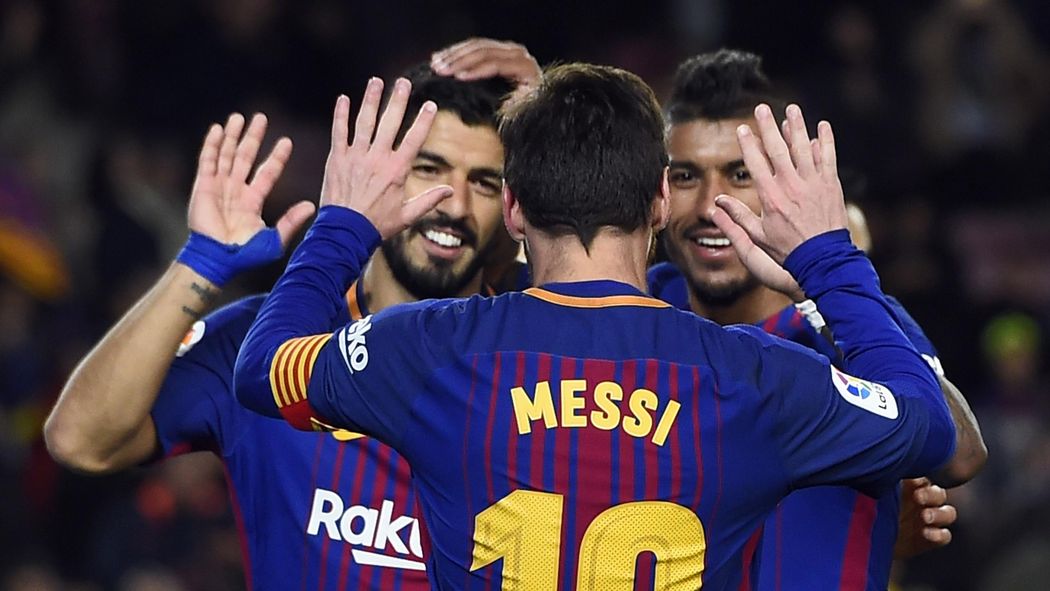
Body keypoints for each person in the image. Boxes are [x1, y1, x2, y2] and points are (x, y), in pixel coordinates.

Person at [234, 63, 961, 589]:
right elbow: (931, 425)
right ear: (660, 202)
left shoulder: (426, 348)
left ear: (512, 208)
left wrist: (343, 226)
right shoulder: (752, 377)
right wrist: (828, 262)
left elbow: (262, 369)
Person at [43, 59, 521, 589]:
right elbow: (81, 440)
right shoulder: (262, 343)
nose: (454, 204)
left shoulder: (532, 356)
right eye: (429, 168)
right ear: (375, 177)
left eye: (484, 182)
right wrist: (200, 265)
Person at [649, 48, 986, 589]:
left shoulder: (848, 317)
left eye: (741, 173)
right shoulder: (640, 302)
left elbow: (962, 454)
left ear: (789, 189)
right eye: (685, 175)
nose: (712, 206)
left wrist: (820, 289)